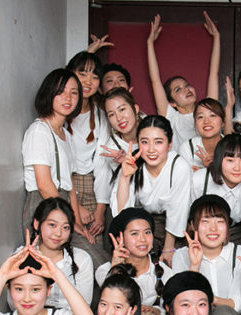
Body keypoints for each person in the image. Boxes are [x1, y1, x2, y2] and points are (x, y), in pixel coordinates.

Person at [112, 115, 192, 264]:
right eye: (144, 142)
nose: (151, 149)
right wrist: (125, 177)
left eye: (158, 142)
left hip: (173, 227)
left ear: (170, 144)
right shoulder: (133, 164)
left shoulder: (179, 167)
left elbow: (177, 211)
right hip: (141, 223)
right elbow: (122, 212)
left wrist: (168, 249)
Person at [170, 194, 241, 315]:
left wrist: (210, 299)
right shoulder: (181, 255)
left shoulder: (240, 254)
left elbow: (237, 304)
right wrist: (194, 266)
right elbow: (182, 301)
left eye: (220, 222)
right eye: (205, 221)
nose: (213, 229)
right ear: (192, 225)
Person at [21, 68, 85, 234]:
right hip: (45, 204)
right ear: (49, 93)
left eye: (74, 92)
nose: (68, 98)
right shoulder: (39, 131)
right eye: (61, 92)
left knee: (92, 249)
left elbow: (70, 185)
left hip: (64, 206)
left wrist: (78, 222)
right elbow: (43, 184)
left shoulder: (66, 135)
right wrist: (67, 219)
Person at [146, 11, 222, 146]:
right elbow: (155, 81)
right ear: (172, 103)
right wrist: (149, 43)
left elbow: (213, 73)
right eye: (178, 89)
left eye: (186, 85)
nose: (186, 89)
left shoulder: (207, 109)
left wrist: (216, 36)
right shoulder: (171, 117)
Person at [66, 51, 112, 268]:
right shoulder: (61, 111)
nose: (88, 81)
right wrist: (74, 206)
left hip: (93, 186)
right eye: (82, 73)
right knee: (71, 248)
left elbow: (102, 164)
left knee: (95, 247)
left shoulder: (101, 114)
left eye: (94, 76)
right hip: (65, 186)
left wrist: (100, 211)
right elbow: (59, 166)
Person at [95, 208, 168, 315]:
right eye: (134, 234)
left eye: (147, 232)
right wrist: (116, 269)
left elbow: (172, 309)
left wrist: (155, 310)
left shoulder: (163, 271)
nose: (142, 239)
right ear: (119, 238)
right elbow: (112, 304)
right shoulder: (104, 271)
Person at [190, 133, 241, 248]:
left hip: (238, 234)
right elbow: (188, 221)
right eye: (230, 160)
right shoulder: (200, 179)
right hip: (203, 232)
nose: (237, 168)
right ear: (219, 160)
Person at [26, 197, 94, 307]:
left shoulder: (81, 259)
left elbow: (84, 306)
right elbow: (15, 304)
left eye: (65, 227)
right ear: (37, 224)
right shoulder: (21, 256)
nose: (58, 233)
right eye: (52, 225)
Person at [95, 88, 143, 218]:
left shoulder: (152, 130)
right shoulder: (112, 149)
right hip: (132, 202)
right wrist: (123, 165)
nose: (119, 118)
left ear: (135, 109)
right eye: (111, 114)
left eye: (122, 109)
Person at [178, 98, 225, 171]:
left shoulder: (233, 147)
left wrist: (206, 170)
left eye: (212, 115)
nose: (206, 121)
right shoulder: (187, 148)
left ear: (223, 122)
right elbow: (183, 177)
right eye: (200, 117)